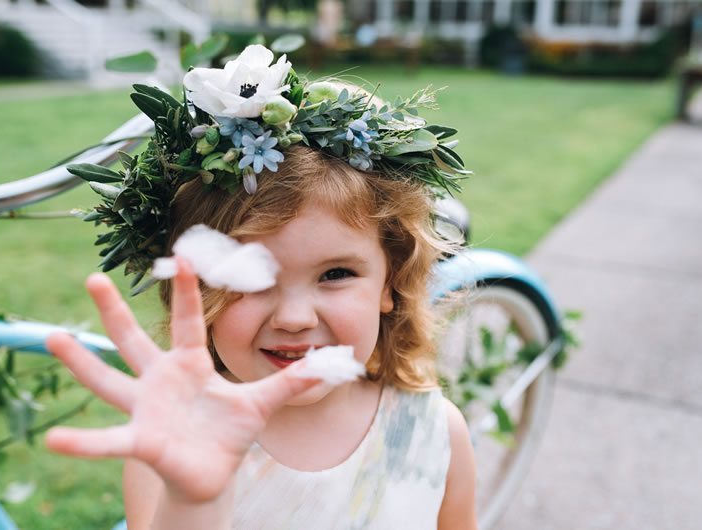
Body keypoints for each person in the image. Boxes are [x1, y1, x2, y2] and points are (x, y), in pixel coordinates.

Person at [46, 44, 477, 529]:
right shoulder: (178, 443)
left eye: (335, 274)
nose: (294, 318)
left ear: (390, 281)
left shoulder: (434, 433)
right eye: (249, 279)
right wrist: (192, 501)